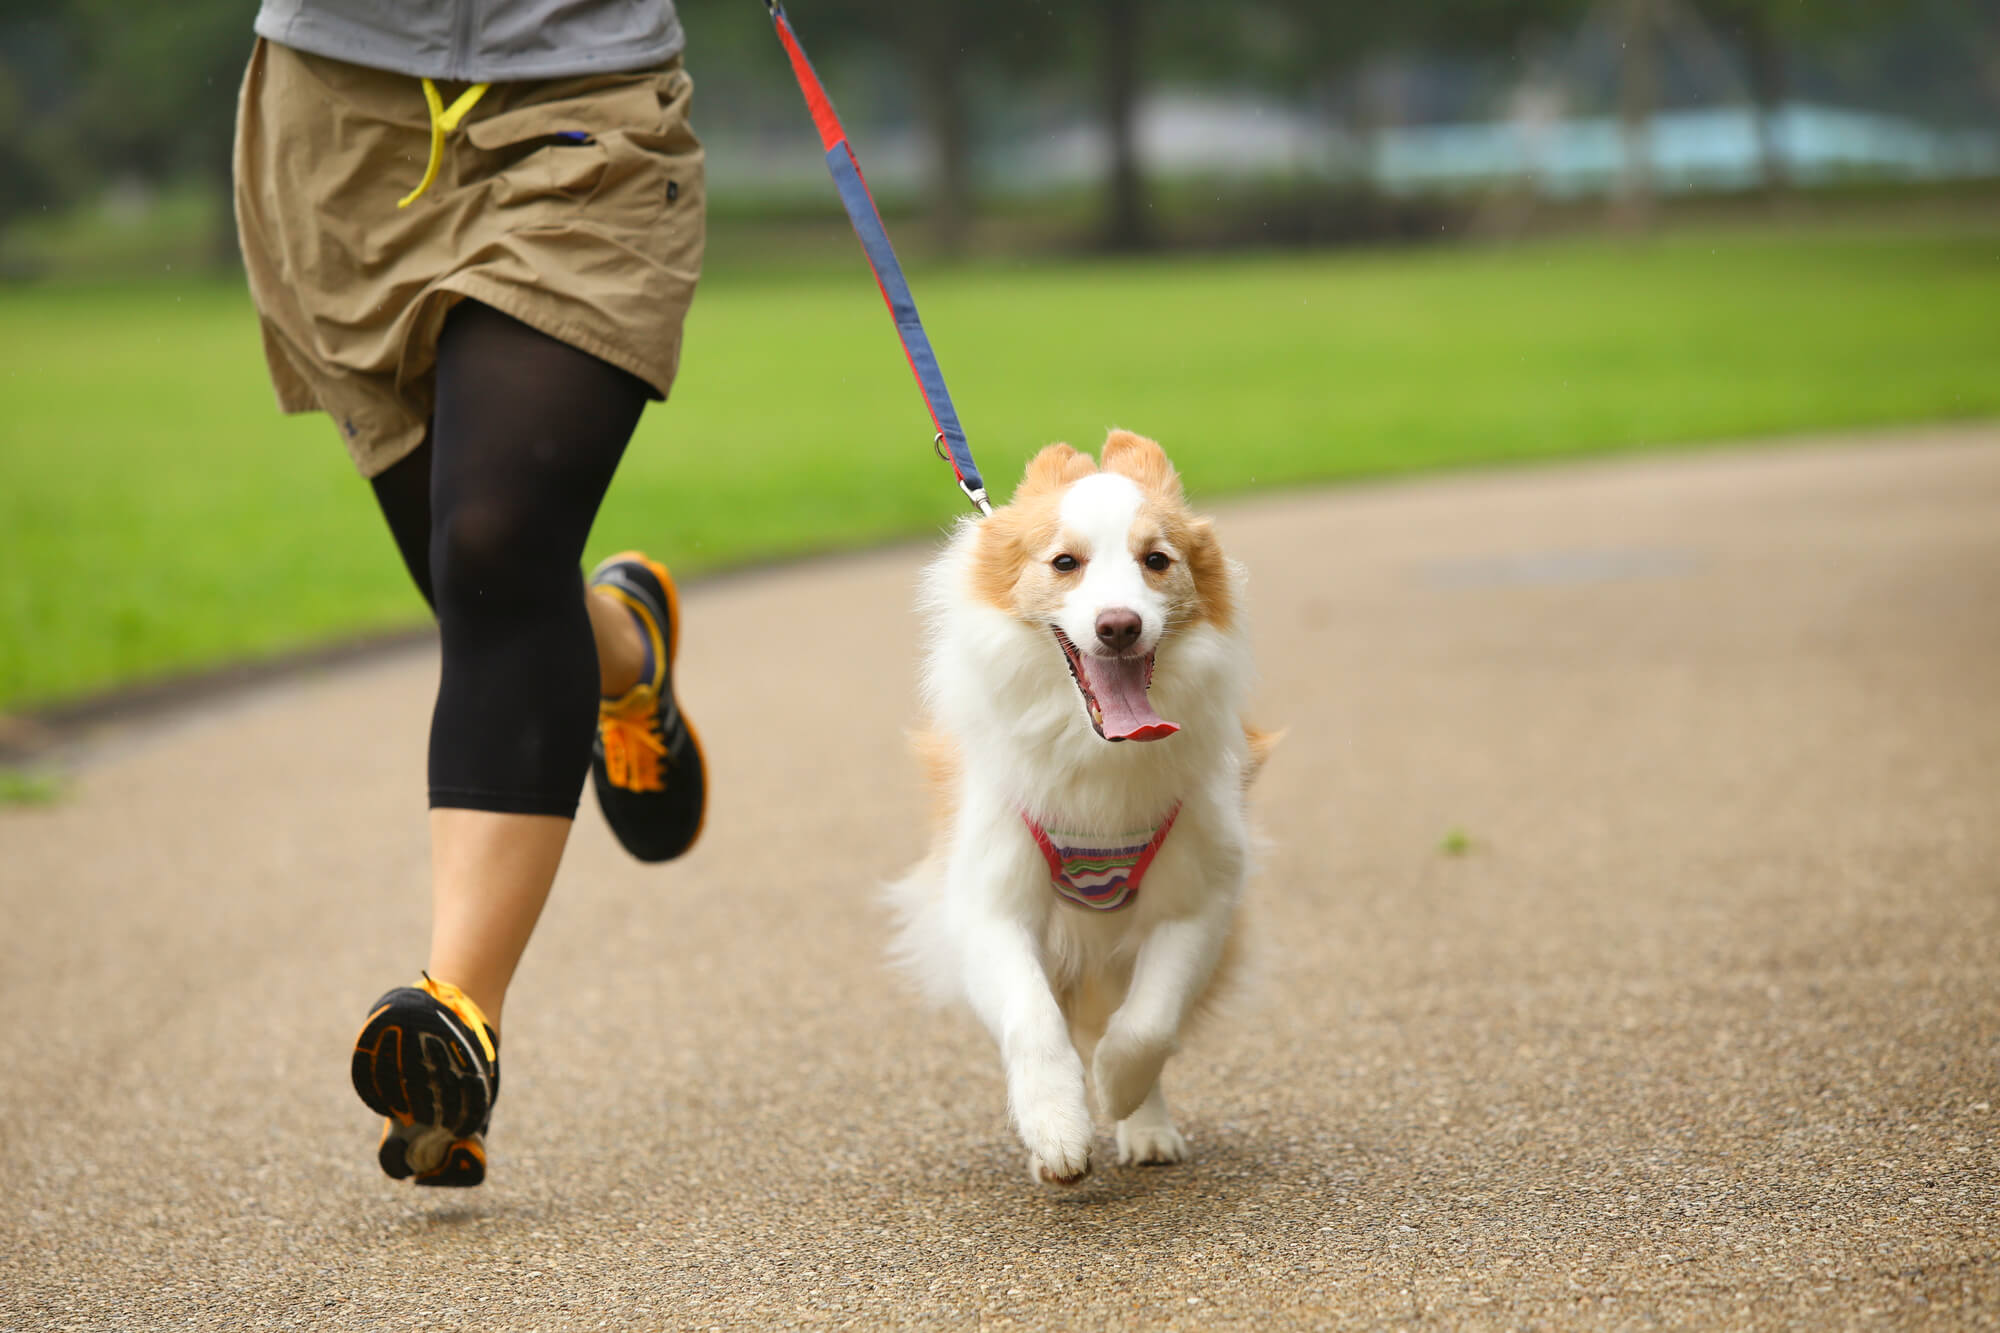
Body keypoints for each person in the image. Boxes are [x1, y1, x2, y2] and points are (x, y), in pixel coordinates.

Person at [234, 0, 707, 1186]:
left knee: (495, 544)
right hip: (339, 124)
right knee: (481, 585)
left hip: (580, 104)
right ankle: (623, 652)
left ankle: (457, 1021)